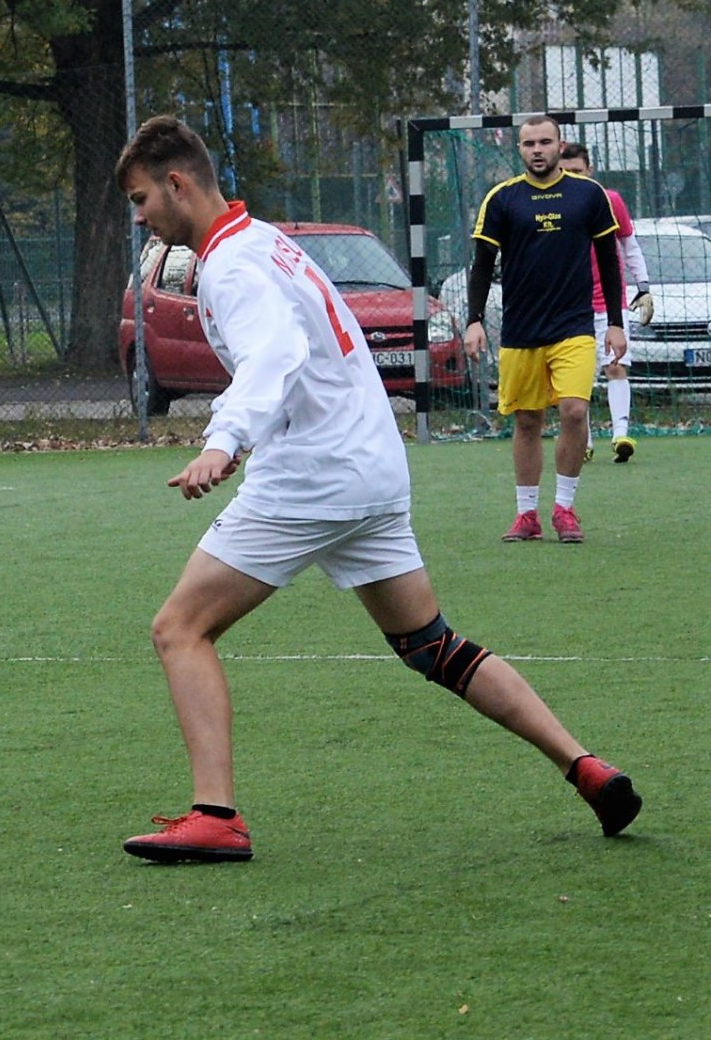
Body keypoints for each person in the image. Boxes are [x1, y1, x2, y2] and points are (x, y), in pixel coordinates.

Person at [112, 115, 640, 864]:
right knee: (433, 645)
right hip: (372, 466)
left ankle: (216, 814)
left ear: (177, 183)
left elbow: (275, 354)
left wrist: (223, 440)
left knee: (179, 629)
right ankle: (586, 765)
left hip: (314, 474)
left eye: (141, 199)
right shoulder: (266, 241)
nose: (140, 218)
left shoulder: (231, 266)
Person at [462, 115, 626, 544]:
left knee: (574, 410)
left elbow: (609, 260)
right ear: (519, 149)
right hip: (520, 329)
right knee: (528, 420)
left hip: (573, 327)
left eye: (545, 142)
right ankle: (526, 515)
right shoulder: (502, 199)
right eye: (529, 143)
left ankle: (565, 508)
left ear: (559, 145)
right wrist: (474, 320)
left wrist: (615, 322)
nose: (537, 150)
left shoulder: (588, 195)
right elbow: (482, 266)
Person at [557, 142, 653, 464]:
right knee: (577, 378)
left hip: (608, 305)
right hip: (569, 306)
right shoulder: (554, 205)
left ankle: (620, 435)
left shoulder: (611, 201)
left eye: (578, 172)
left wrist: (643, 287)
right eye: (566, 173)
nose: (573, 178)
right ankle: (582, 440)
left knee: (615, 366)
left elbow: (629, 244)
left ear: (590, 171)